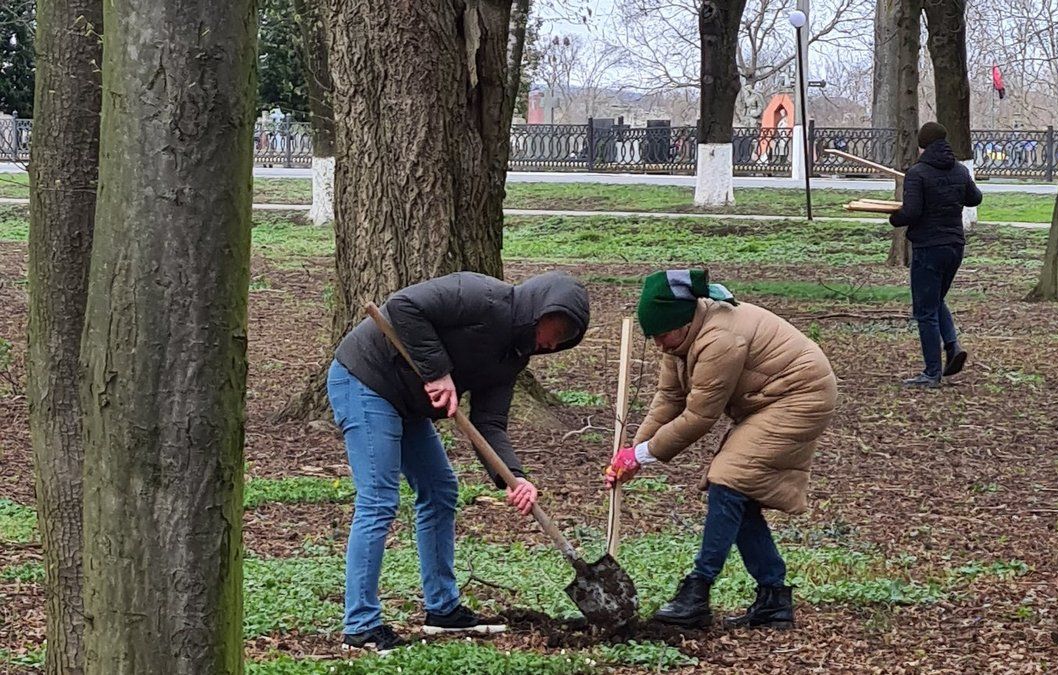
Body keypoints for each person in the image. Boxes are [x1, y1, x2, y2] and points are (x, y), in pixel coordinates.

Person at [329, 271, 590, 651]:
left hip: (409, 402)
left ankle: (443, 610)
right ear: (537, 310)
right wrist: (438, 373)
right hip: (366, 379)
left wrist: (515, 478)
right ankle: (361, 625)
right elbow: (403, 306)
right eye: (552, 330)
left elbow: (490, 424)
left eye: (562, 340)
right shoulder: (480, 296)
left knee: (440, 490)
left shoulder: (512, 360)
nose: (549, 345)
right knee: (380, 499)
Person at [606, 269, 837, 629]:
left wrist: (642, 455)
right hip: (765, 400)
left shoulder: (719, 338)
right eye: (654, 338)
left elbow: (699, 416)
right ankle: (773, 597)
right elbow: (670, 398)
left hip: (800, 395)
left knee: (728, 481)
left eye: (663, 336)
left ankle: (697, 592)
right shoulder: (679, 339)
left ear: (682, 322)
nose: (660, 346)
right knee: (736, 490)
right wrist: (633, 454)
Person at [889, 122, 984, 388]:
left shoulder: (917, 173)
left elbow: (912, 212)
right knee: (936, 299)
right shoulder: (960, 170)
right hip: (955, 247)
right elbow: (974, 198)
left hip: (928, 248)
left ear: (922, 145)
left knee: (925, 310)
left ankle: (932, 373)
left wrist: (895, 218)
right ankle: (952, 347)